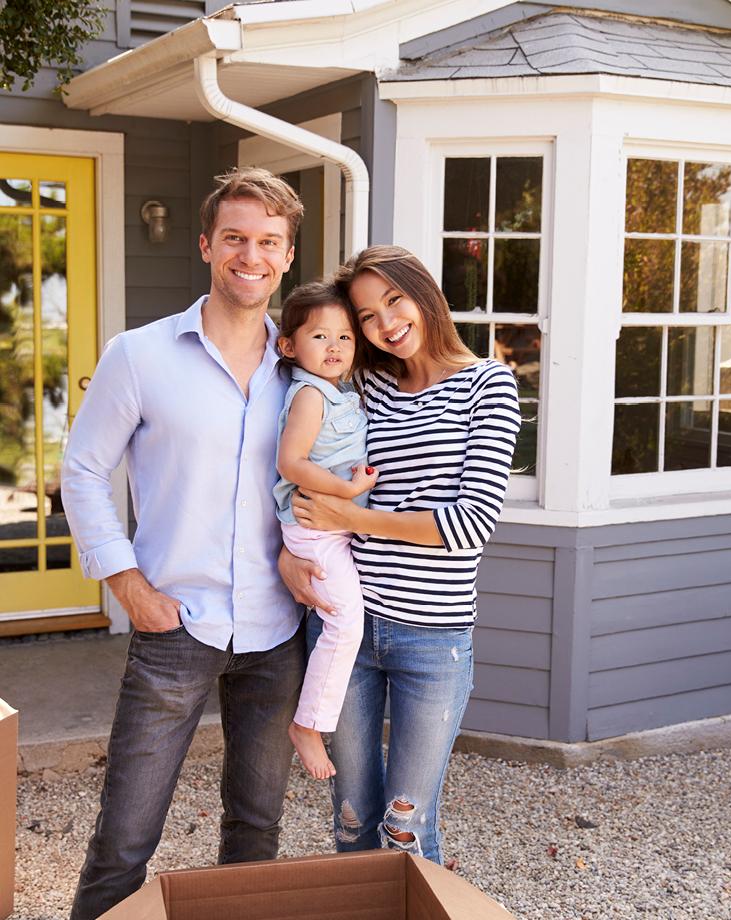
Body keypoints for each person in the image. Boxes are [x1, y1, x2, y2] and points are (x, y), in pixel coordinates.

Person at [61, 168, 307, 919]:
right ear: (207, 244)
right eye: (235, 237)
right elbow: (81, 467)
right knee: (126, 837)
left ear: (288, 255)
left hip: (276, 630)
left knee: (256, 829)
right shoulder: (140, 355)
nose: (251, 255)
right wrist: (124, 580)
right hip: (175, 626)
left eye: (269, 241)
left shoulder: (305, 368)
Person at [279, 245, 520, 866]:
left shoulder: (488, 385)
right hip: (344, 626)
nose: (384, 324)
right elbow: (289, 453)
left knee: (406, 825)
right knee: (351, 819)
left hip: (433, 639)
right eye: (365, 316)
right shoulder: (365, 385)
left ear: (423, 292)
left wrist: (352, 517)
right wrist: (287, 557)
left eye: (393, 301)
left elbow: (470, 524)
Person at [273, 280, 378, 780]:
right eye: (320, 337)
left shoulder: (343, 392)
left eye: (345, 337)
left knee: (341, 618)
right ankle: (308, 725)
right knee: (344, 621)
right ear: (289, 346)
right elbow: (291, 463)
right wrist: (346, 493)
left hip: (330, 526)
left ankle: (312, 721)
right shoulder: (311, 395)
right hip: (316, 527)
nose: (335, 347)